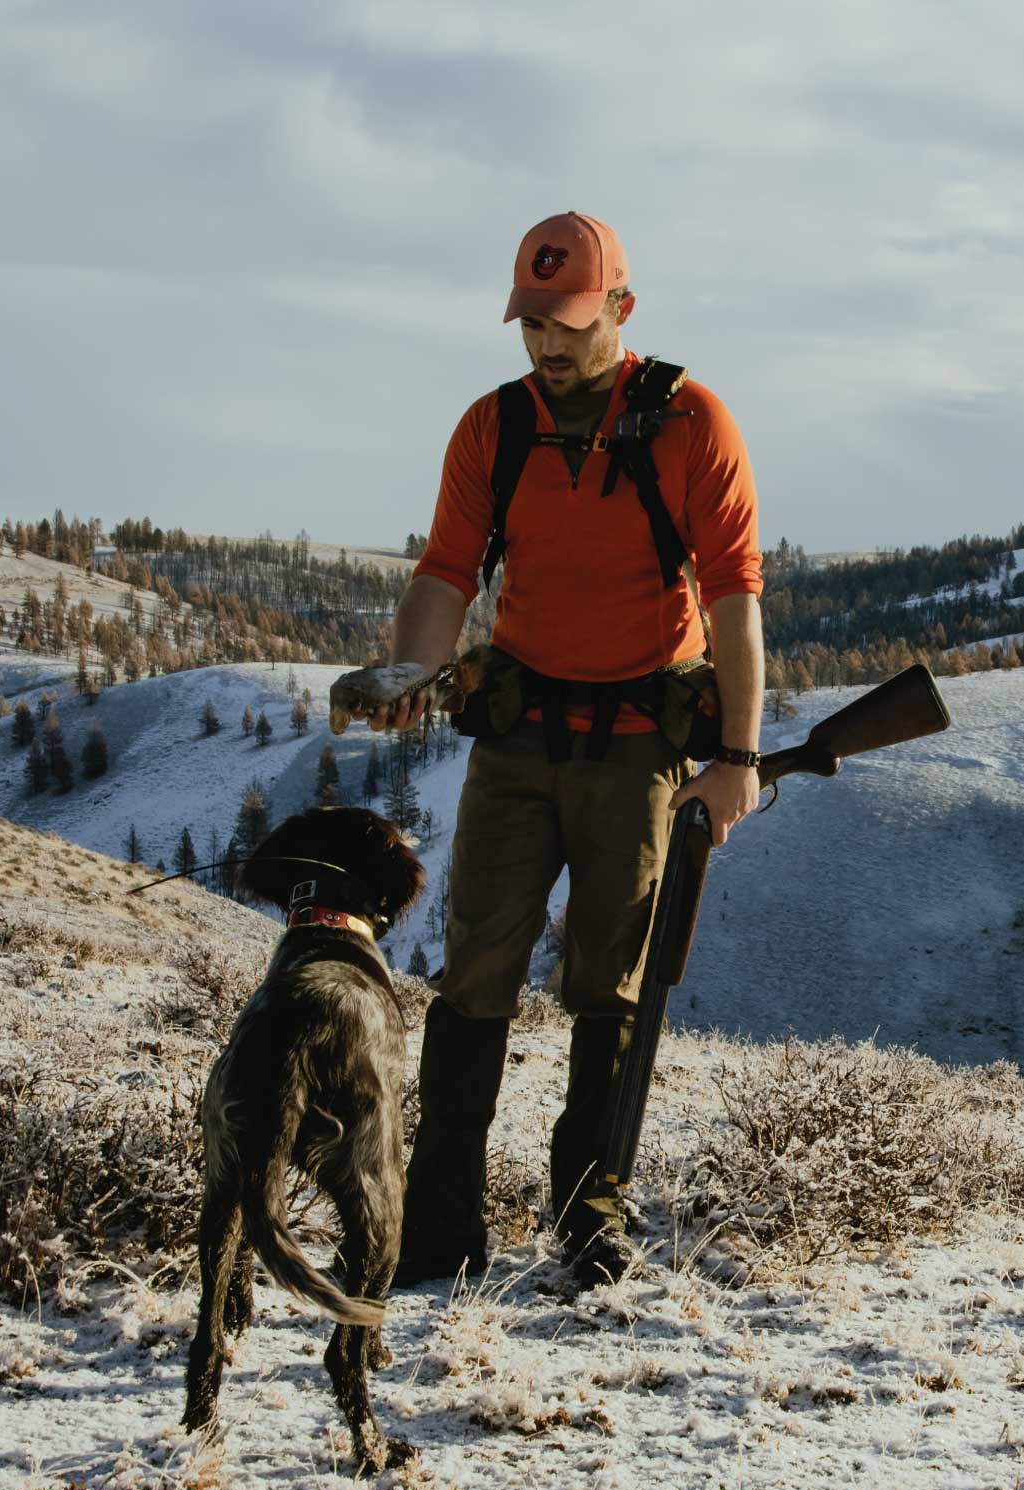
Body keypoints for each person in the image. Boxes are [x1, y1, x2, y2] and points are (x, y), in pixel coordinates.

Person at [365, 211, 765, 1287]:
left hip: (640, 748)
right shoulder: (492, 429)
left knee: (610, 983)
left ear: (621, 311)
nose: (546, 340)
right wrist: (411, 671)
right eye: (531, 319)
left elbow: (732, 600)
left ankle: (588, 1226)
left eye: (570, 321)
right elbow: (445, 573)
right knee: (473, 979)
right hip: (517, 739)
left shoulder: (692, 423)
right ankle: (439, 1236)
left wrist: (736, 756)